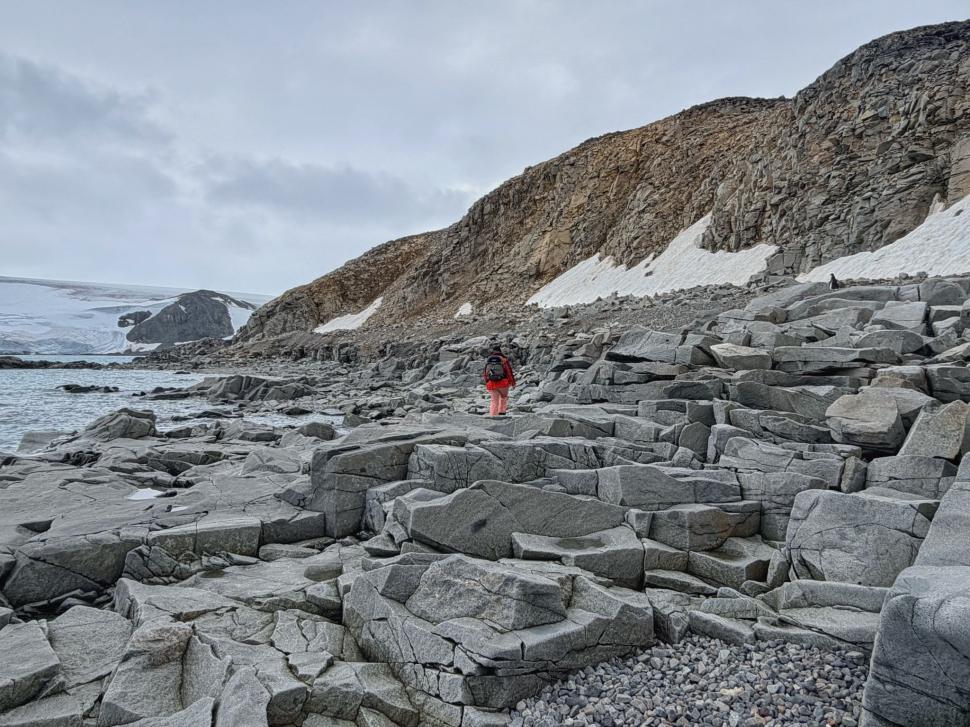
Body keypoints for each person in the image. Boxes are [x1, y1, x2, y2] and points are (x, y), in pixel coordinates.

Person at [483, 345, 515, 416]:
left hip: (491, 383)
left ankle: (493, 415)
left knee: (494, 400)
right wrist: (513, 383)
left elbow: (485, 373)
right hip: (503, 383)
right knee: (504, 397)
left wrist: (487, 382)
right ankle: (502, 413)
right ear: (500, 351)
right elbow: (508, 372)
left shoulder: (489, 360)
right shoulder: (504, 359)